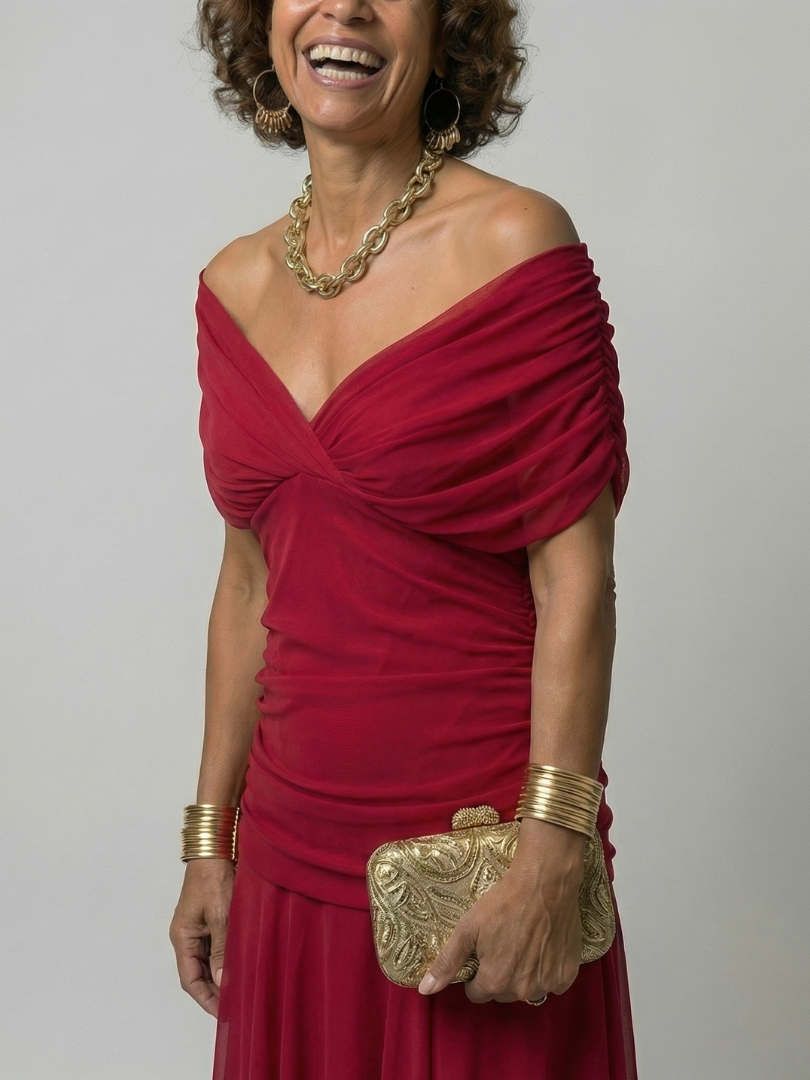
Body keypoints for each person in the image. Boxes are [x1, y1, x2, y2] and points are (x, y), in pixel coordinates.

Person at [169, 0, 637, 1075]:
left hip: (475, 871)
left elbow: (576, 577)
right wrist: (210, 840)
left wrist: (552, 849)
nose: (345, 8)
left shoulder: (515, 242)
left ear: (445, 26)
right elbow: (247, 586)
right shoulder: (231, 286)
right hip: (286, 860)